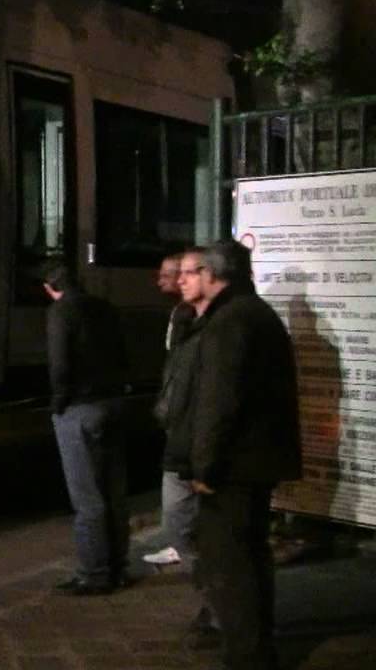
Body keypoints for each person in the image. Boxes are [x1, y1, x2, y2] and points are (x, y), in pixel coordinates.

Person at [189, 240, 302, 670]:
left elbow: (219, 401)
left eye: (197, 271)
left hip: (235, 465)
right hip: (258, 460)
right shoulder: (258, 313)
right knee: (253, 556)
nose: (190, 279)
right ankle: (258, 648)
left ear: (214, 275)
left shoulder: (230, 320)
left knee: (232, 565)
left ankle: (247, 656)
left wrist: (204, 466)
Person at [43, 261, 131, 595]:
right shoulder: (105, 308)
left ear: (51, 289)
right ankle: (118, 567)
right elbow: (123, 354)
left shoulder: (60, 312)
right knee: (114, 491)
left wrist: (59, 402)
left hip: (80, 408)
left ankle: (94, 573)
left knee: (88, 496)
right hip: (113, 402)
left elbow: (59, 361)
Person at [144, 251, 201, 567]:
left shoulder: (185, 315)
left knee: (179, 492)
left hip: (183, 418)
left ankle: (187, 549)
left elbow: (178, 368)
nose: (163, 280)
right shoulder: (182, 312)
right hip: (180, 414)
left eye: (170, 273)